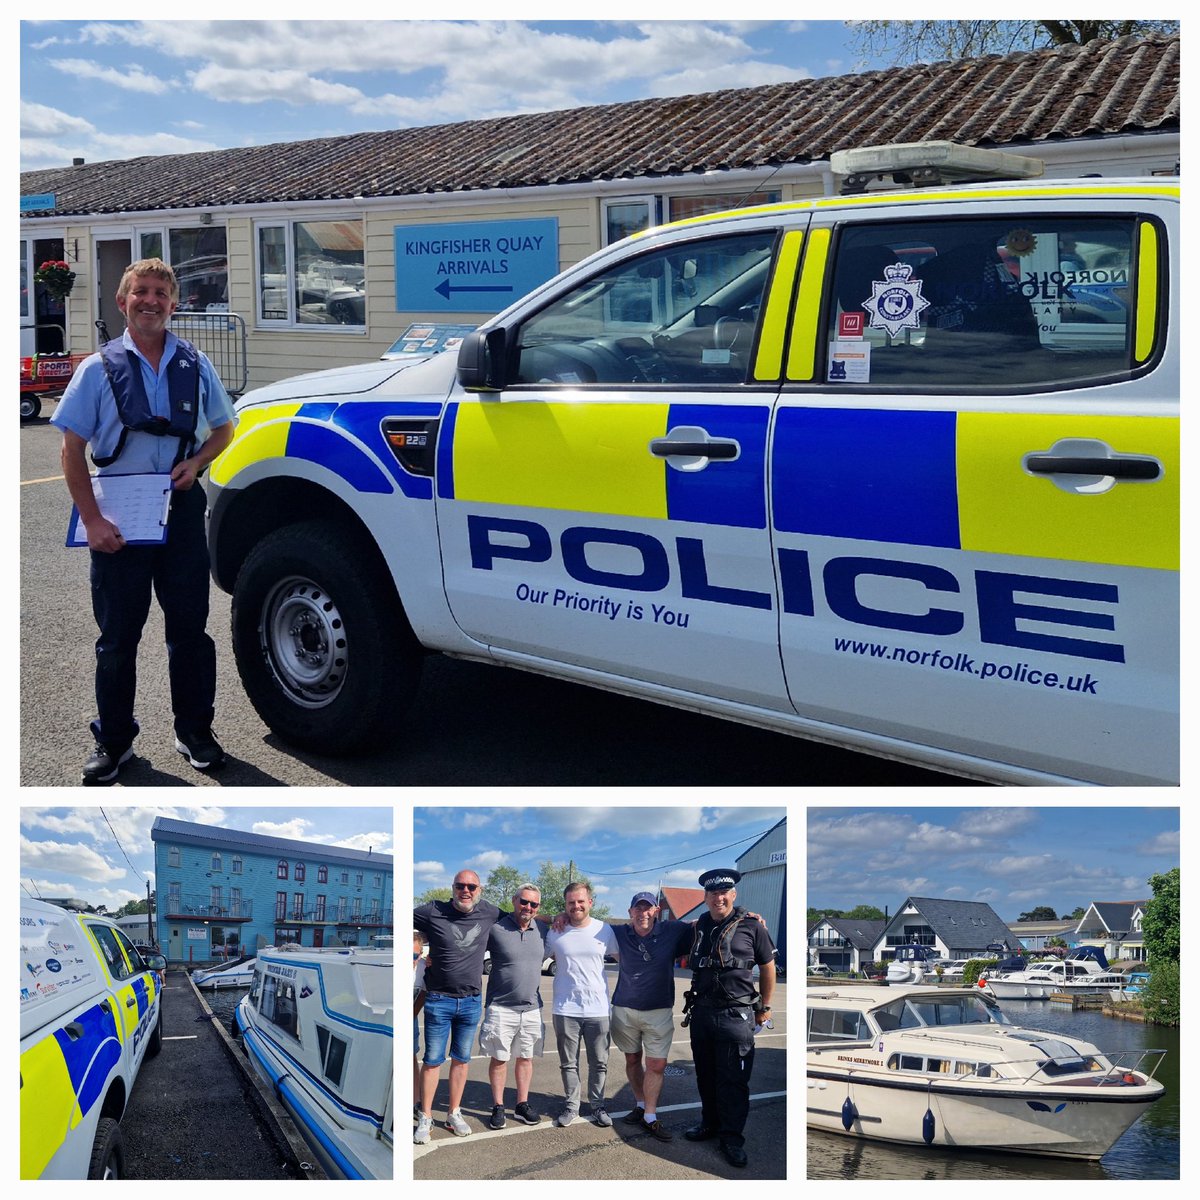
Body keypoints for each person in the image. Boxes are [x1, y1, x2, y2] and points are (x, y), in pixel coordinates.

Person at [51, 258, 236, 785]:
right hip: (117, 518)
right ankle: (113, 742)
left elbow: (224, 429)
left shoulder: (195, 364)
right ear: (122, 301)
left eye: (160, 293)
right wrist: (92, 520)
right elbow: (71, 450)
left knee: (190, 633)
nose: (150, 301)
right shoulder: (96, 369)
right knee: (117, 637)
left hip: (178, 512)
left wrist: (197, 463)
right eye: (140, 292)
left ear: (174, 304)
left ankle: (195, 732)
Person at [682, 868, 776, 1169]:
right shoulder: (698, 926)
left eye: (724, 893)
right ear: (706, 897)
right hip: (703, 1014)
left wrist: (765, 1006)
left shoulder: (753, 926)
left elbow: (768, 968)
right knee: (706, 1076)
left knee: (733, 1081)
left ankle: (732, 1139)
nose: (718, 898)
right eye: (713, 893)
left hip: (736, 1016)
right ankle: (709, 1124)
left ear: (733, 895)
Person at [412, 869, 503, 1143]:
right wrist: (417, 953)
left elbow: (521, 918)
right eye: (461, 885)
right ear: (453, 887)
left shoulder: (489, 912)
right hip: (439, 999)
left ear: (480, 890)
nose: (467, 890)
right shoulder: (432, 911)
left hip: (472, 1000)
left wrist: (556, 919)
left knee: (461, 1061)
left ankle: (454, 1113)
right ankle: (425, 1116)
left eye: (472, 886)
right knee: (432, 1061)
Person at [610, 892, 694, 1141]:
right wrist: (559, 916)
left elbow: (705, 923)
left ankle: (650, 1116)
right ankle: (639, 1104)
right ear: (630, 912)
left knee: (657, 1065)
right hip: (625, 1008)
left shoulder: (673, 930)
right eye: (638, 908)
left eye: (647, 908)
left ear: (656, 911)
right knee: (633, 1059)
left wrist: (746, 917)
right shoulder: (619, 933)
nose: (642, 913)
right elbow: (584, 925)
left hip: (658, 1010)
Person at [545, 880, 618, 1128]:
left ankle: (597, 1106)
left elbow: (626, 959)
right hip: (565, 1009)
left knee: (599, 1063)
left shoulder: (604, 930)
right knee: (568, 1063)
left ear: (590, 902)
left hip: (598, 1010)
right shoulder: (556, 931)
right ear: (565, 905)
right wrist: (554, 916)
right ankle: (571, 1106)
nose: (576, 906)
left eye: (580, 901)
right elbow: (536, 953)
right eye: (570, 903)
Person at [479, 883, 548, 1129]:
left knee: (526, 1058)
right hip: (500, 1007)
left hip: (531, 1008)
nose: (528, 907)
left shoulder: (543, 929)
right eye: (524, 902)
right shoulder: (496, 929)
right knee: (500, 1059)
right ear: (514, 901)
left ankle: (521, 1104)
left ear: (538, 908)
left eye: (534, 904)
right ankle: (498, 1106)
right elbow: (468, 947)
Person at [413, 931, 427, 1118]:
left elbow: (423, 993)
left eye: (414, 956)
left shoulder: (423, 968)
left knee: (410, 1059)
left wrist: (412, 1013)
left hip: (410, 1017)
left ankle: (415, 1100)